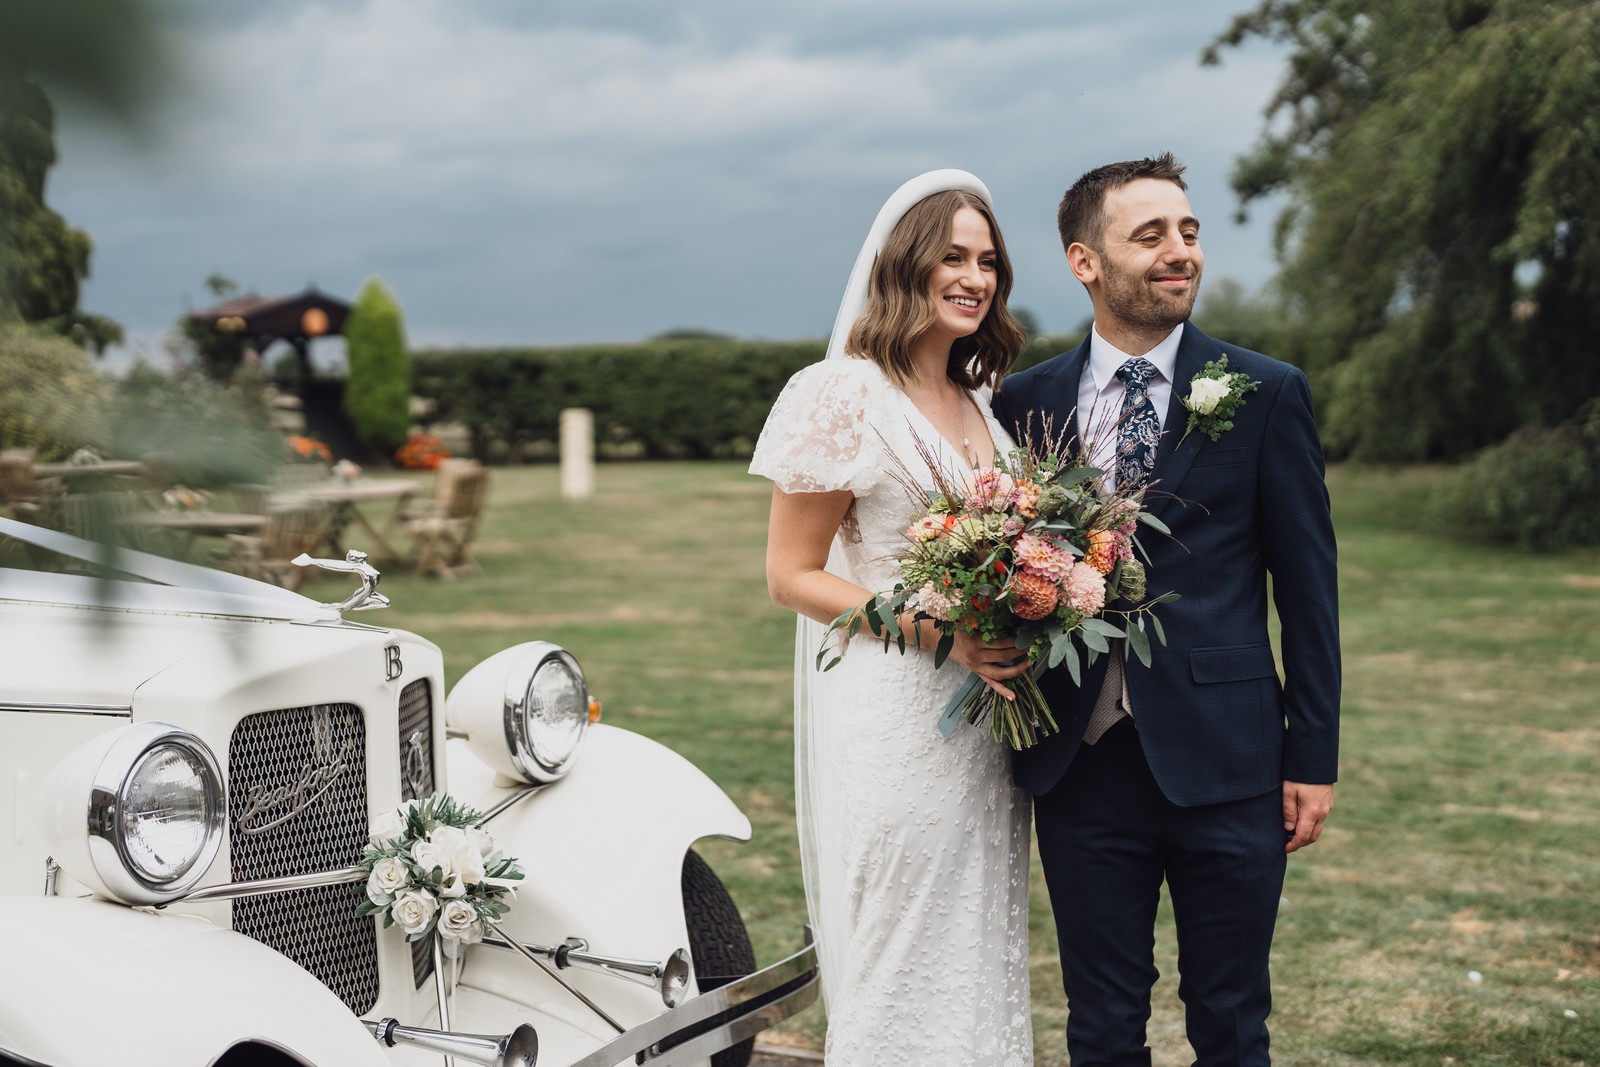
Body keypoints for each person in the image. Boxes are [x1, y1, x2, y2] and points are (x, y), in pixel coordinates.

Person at [991, 153, 1340, 1065]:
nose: (1179, 251)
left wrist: (1312, 754)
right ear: (1085, 261)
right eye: (1150, 236)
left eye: (1187, 232)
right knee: (1102, 1023)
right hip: (1081, 760)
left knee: (1230, 1017)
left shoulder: (1266, 392)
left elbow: (1308, 592)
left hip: (1232, 759)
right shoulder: (1026, 402)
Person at [748, 170, 1035, 1064]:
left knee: (981, 937)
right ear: (905, 264)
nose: (974, 276)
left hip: (988, 728)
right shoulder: (843, 394)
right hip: (900, 712)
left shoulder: (984, 404)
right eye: (952, 255)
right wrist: (944, 634)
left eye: (987, 260)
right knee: (899, 946)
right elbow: (791, 575)